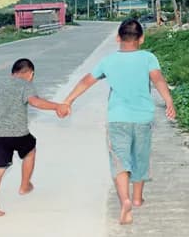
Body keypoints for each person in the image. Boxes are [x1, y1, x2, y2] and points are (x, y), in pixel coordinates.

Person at [63, 18, 176, 225]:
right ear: (141, 39)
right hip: (143, 118)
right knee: (140, 157)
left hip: (118, 119)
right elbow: (158, 80)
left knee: (120, 161)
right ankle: (137, 199)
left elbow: (86, 81)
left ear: (118, 38)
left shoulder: (108, 61)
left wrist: (68, 101)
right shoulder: (148, 57)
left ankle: (124, 201)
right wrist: (169, 101)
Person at [0, 57, 70, 217]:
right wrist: (58, 106)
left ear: (12, 73)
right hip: (19, 134)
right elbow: (35, 102)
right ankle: (24, 185)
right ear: (30, 73)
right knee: (30, 150)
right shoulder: (26, 85)